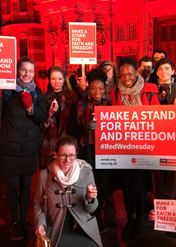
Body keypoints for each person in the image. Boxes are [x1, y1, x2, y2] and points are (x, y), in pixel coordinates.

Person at [0, 57, 47, 240]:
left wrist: (31, 106)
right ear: (17, 71)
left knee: (26, 185)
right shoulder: (6, 90)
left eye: (30, 71)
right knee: (13, 185)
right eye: (23, 70)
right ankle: (14, 221)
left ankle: (24, 219)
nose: (27, 74)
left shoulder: (37, 93)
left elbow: (41, 117)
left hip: (30, 148)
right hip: (8, 148)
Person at [110, 57, 160, 240]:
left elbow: (159, 116)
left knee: (139, 187)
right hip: (123, 149)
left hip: (143, 148)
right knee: (126, 186)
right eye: (122, 75)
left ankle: (139, 219)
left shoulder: (150, 91)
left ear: (136, 72)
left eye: (130, 73)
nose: (126, 77)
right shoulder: (115, 93)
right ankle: (129, 220)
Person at [34, 135, 102, 247]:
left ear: (76, 155)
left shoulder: (86, 172)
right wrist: (40, 224)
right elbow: (38, 202)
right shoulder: (44, 175)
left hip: (83, 226)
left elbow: (92, 209)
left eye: (71, 155)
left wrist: (90, 199)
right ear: (56, 154)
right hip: (57, 227)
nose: (67, 160)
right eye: (63, 155)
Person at [66, 68, 110, 233]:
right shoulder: (80, 105)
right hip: (87, 151)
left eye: (101, 88)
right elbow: (71, 131)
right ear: (88, 89)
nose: (97, 92)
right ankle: (88, 217)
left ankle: (98, 214)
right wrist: (85, 128)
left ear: (105, 90)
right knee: (87, 186)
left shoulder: (109, 106)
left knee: (103, 186)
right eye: (93, 88)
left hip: (106, 152)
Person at [154, 58, 176, 200]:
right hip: (154, 136)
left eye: (167, 68)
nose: (164, 71)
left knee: (171, 171)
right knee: (157, 172)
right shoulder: (150, 89)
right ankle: (157, 203)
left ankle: (170, 205)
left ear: (173, 71)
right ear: (156, 72)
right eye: (160, 69)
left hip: (173, 137)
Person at [39, 66, 74, 170]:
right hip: (49, 141)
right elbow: (42, 124)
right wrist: (50, 113)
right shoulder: (44, 98)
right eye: (53, 78)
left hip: (65, 139)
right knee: (48, 173)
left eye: (60, 78)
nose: (56, 82)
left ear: (64, 79)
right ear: (49, 80)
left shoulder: (70, 98)